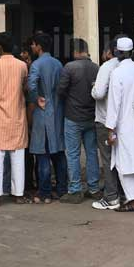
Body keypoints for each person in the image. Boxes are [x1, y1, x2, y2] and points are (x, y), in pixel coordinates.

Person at [0, 32, 29, 207]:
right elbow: (24, 87)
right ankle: (18, 195)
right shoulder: (22, 65)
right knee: (17, 156)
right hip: (17, 115)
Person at [106, 37, 134, 212]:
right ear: (132, 52)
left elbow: (114, 103)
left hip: (124, 125)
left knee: (124, 163)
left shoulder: (117, 73)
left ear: (116, 52)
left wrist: (110, 129)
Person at [57, 38, 101, 204]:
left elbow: (60, 90)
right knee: (91, 153)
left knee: (73, 154)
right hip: (91, 116)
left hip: (73, 117)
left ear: (74, 51)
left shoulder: (69, 67)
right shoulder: (96, 68)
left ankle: (75, 190)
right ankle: (94, 188)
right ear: (86, 50)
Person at [27, 33, 67, 204]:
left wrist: (36, 98)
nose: (31, 47)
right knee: (58, 152)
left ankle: (45, 192)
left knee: (42, 153)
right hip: (57, 112)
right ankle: (62, 189)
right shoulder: (58, 64)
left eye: (33, 44)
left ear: (38, 46)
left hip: (42, 113)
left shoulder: (36, 64)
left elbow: (31, 86)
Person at [90, 39, 123, 210]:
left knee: (108, 158)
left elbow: (99, 93)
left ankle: (111, 197)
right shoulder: (131, 67)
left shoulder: (107, 67)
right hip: (124, 122)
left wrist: (94, 87)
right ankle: (125, 193)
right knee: (122, 158)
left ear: (109, 52)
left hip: (105, 120)